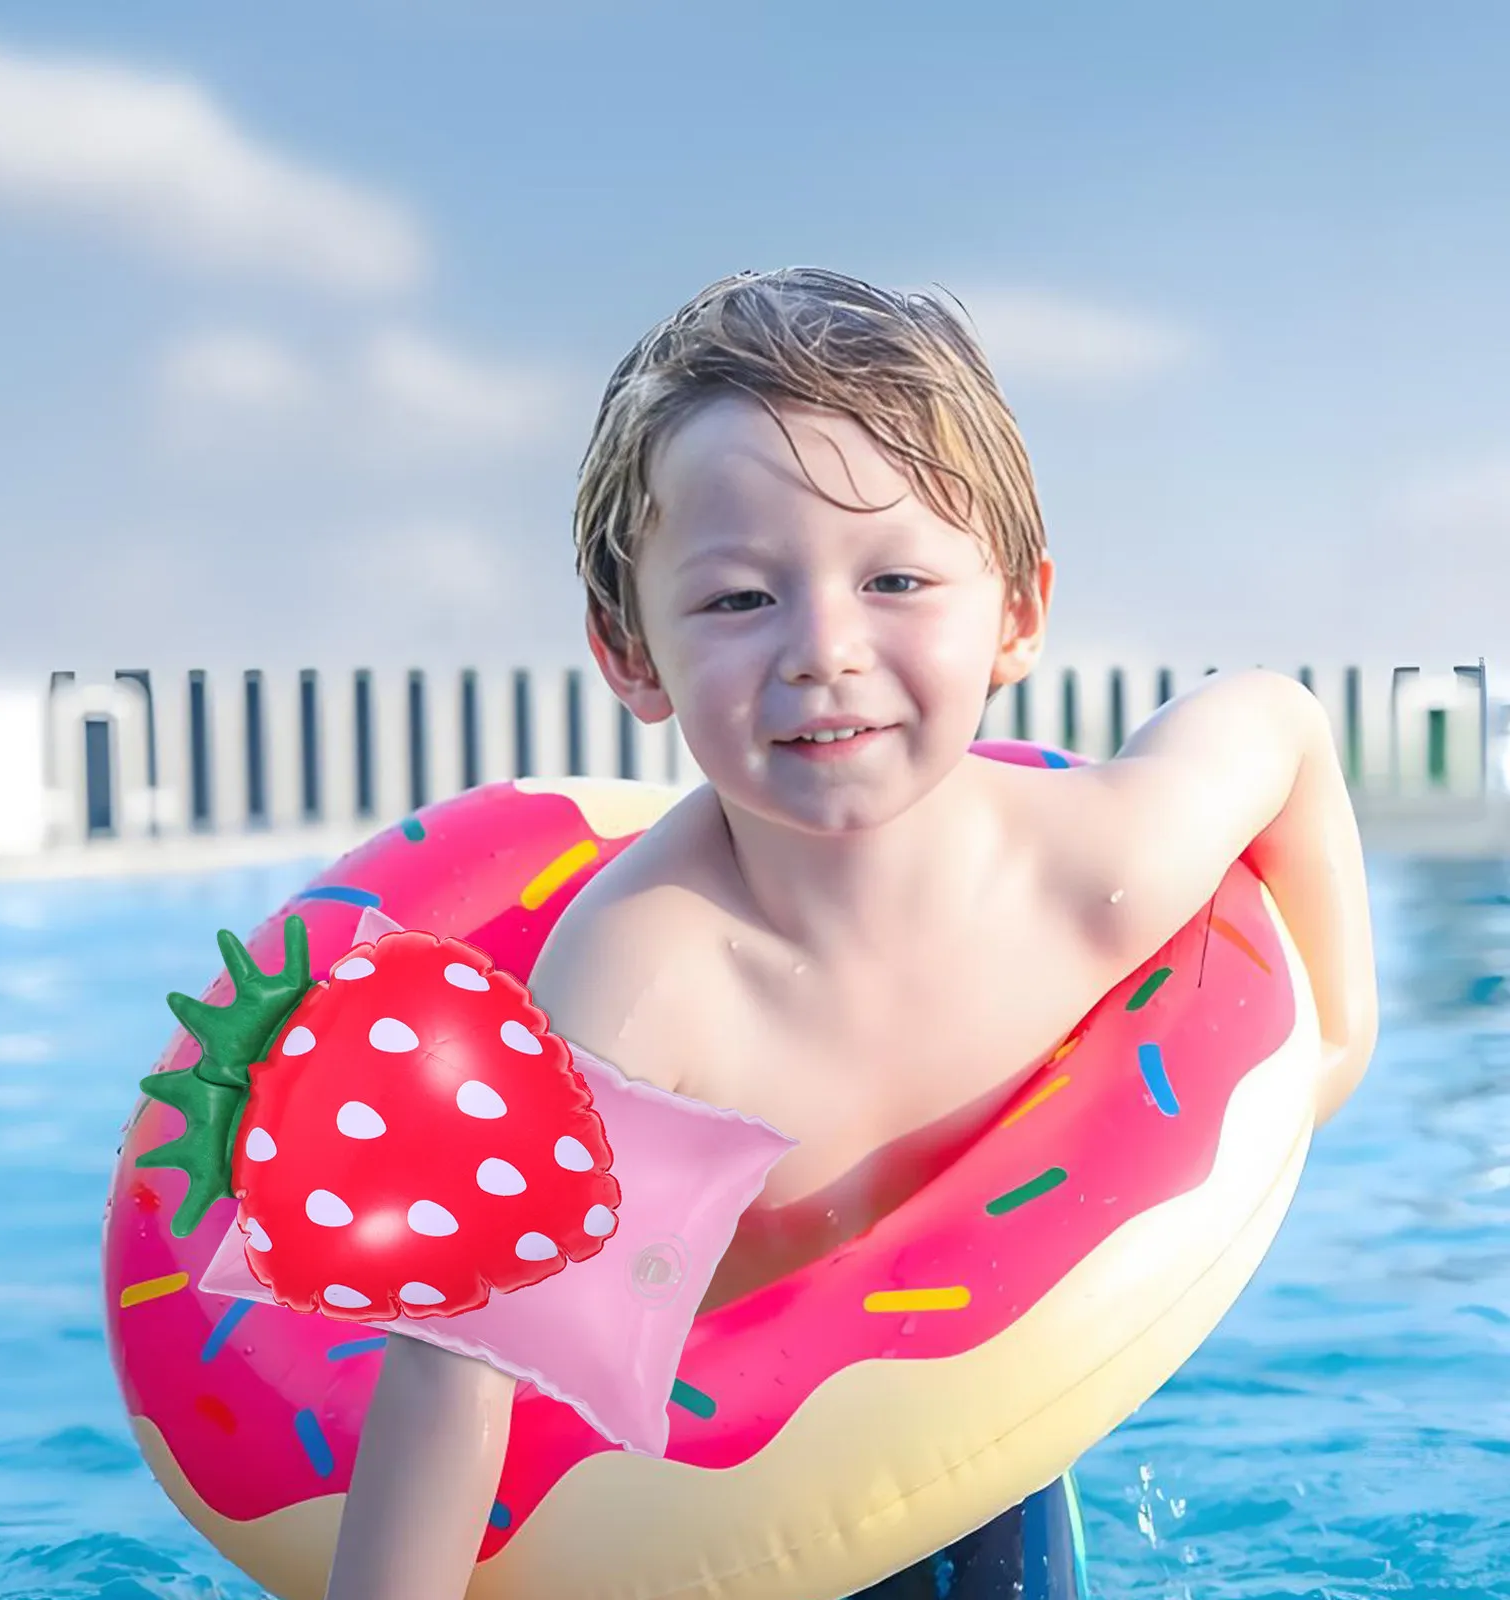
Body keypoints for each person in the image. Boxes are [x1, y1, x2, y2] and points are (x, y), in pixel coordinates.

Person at [324, 266, 1379, 1599]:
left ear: (1018, 613)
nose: (824, 648)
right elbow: (456, 1361)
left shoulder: (1093, 873)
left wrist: (1336, 1044)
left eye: (893, 579)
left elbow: (1276, 722)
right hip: (686, 1499)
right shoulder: (644, 987)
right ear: (629, 652)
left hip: (958, 1413)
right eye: (738, 600)